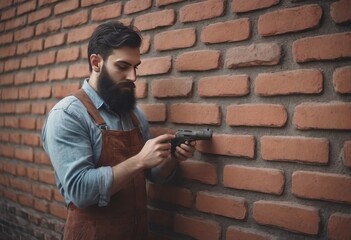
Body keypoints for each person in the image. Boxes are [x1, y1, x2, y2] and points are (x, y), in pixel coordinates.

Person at [42, 21, 195, 240]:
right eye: (122, 66)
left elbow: (152, 175)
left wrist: (170, 158)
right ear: (96, 63)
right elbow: (80, 190)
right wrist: (140, 160)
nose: (133, 77)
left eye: (136, 67)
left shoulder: (134, 114)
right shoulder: (68, 115)